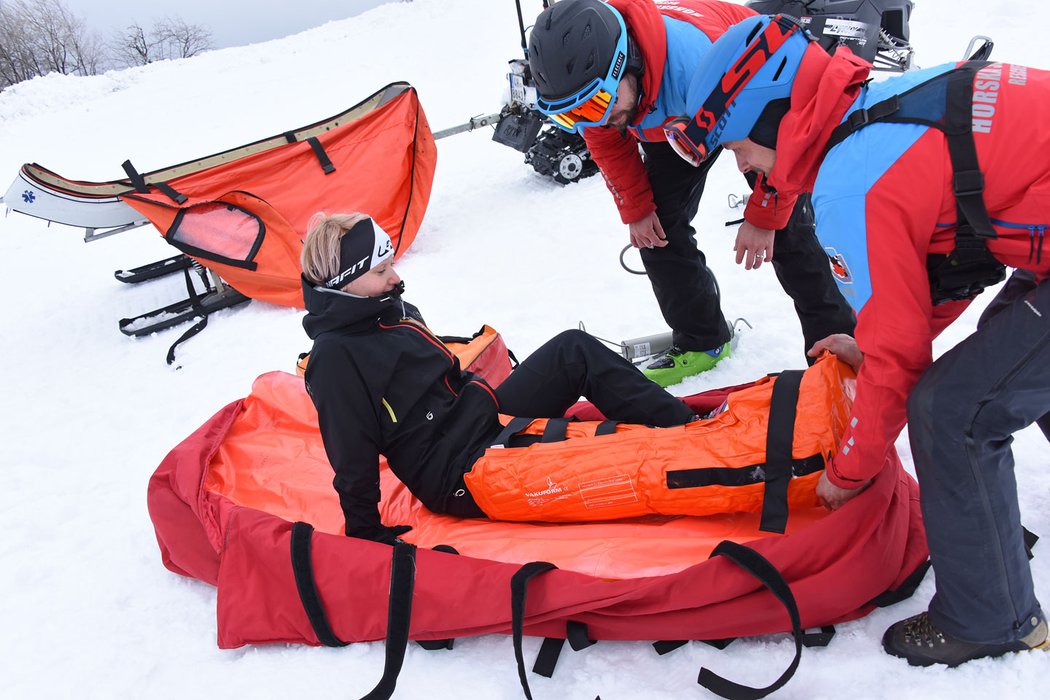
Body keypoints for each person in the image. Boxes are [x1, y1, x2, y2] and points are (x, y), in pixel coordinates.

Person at [675, 12, 1049, 666]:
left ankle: (992, 619)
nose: (745, 168)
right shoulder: (885, 107)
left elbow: (902, 362)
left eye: (739, 150)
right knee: (1011, 351)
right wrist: (869, 343)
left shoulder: (854, 180)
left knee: (954, 409)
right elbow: (948, 267)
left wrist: (852, 467)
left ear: (776, 119)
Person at [299, 212, 697, 544]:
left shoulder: (386, 310)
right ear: (345, 283)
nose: (394, 277)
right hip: (459, 471)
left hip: (483, 420)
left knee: (573, 349)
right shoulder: (336, 357)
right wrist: (365, 532)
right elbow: (351, 451)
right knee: (599, 460)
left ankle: (690, 430)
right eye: (381, 270)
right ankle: (690, 457)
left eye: (391, 265)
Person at [526, 0, 856, 387]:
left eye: (600, 104)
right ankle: (704, 339)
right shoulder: (601, 96)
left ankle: (836, 347)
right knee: (655, 228)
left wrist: (765, 214)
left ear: (626, 62)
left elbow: (785, 143)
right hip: (670, 111)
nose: (595, 121)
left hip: (743, 92)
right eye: (573, 115)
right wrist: (635, 206)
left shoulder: (701, 63)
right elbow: (604, 136)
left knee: (789, 231)